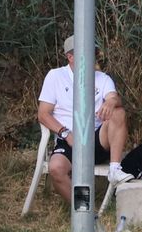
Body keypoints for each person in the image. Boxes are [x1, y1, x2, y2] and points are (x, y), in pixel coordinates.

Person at [35, 35, 130, 199]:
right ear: (70, 57)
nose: (91, 57)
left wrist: (111, 102)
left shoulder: (102, 78)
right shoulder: (56, 76)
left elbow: (114, 98)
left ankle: (115, 169)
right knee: (56, 168)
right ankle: (83, 210)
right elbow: (43, 114)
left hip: (96, 139)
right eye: (85, 53)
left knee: (118, 111)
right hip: (69, 138)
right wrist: (65, 133)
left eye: (93, 52)